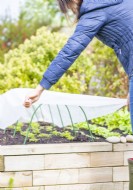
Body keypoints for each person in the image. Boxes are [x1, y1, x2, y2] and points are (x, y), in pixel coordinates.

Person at [24, 0, 133, 129]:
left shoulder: (94, 13)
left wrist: (40, 88)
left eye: (68, 7)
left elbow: (70, 51)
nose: (72, 11)